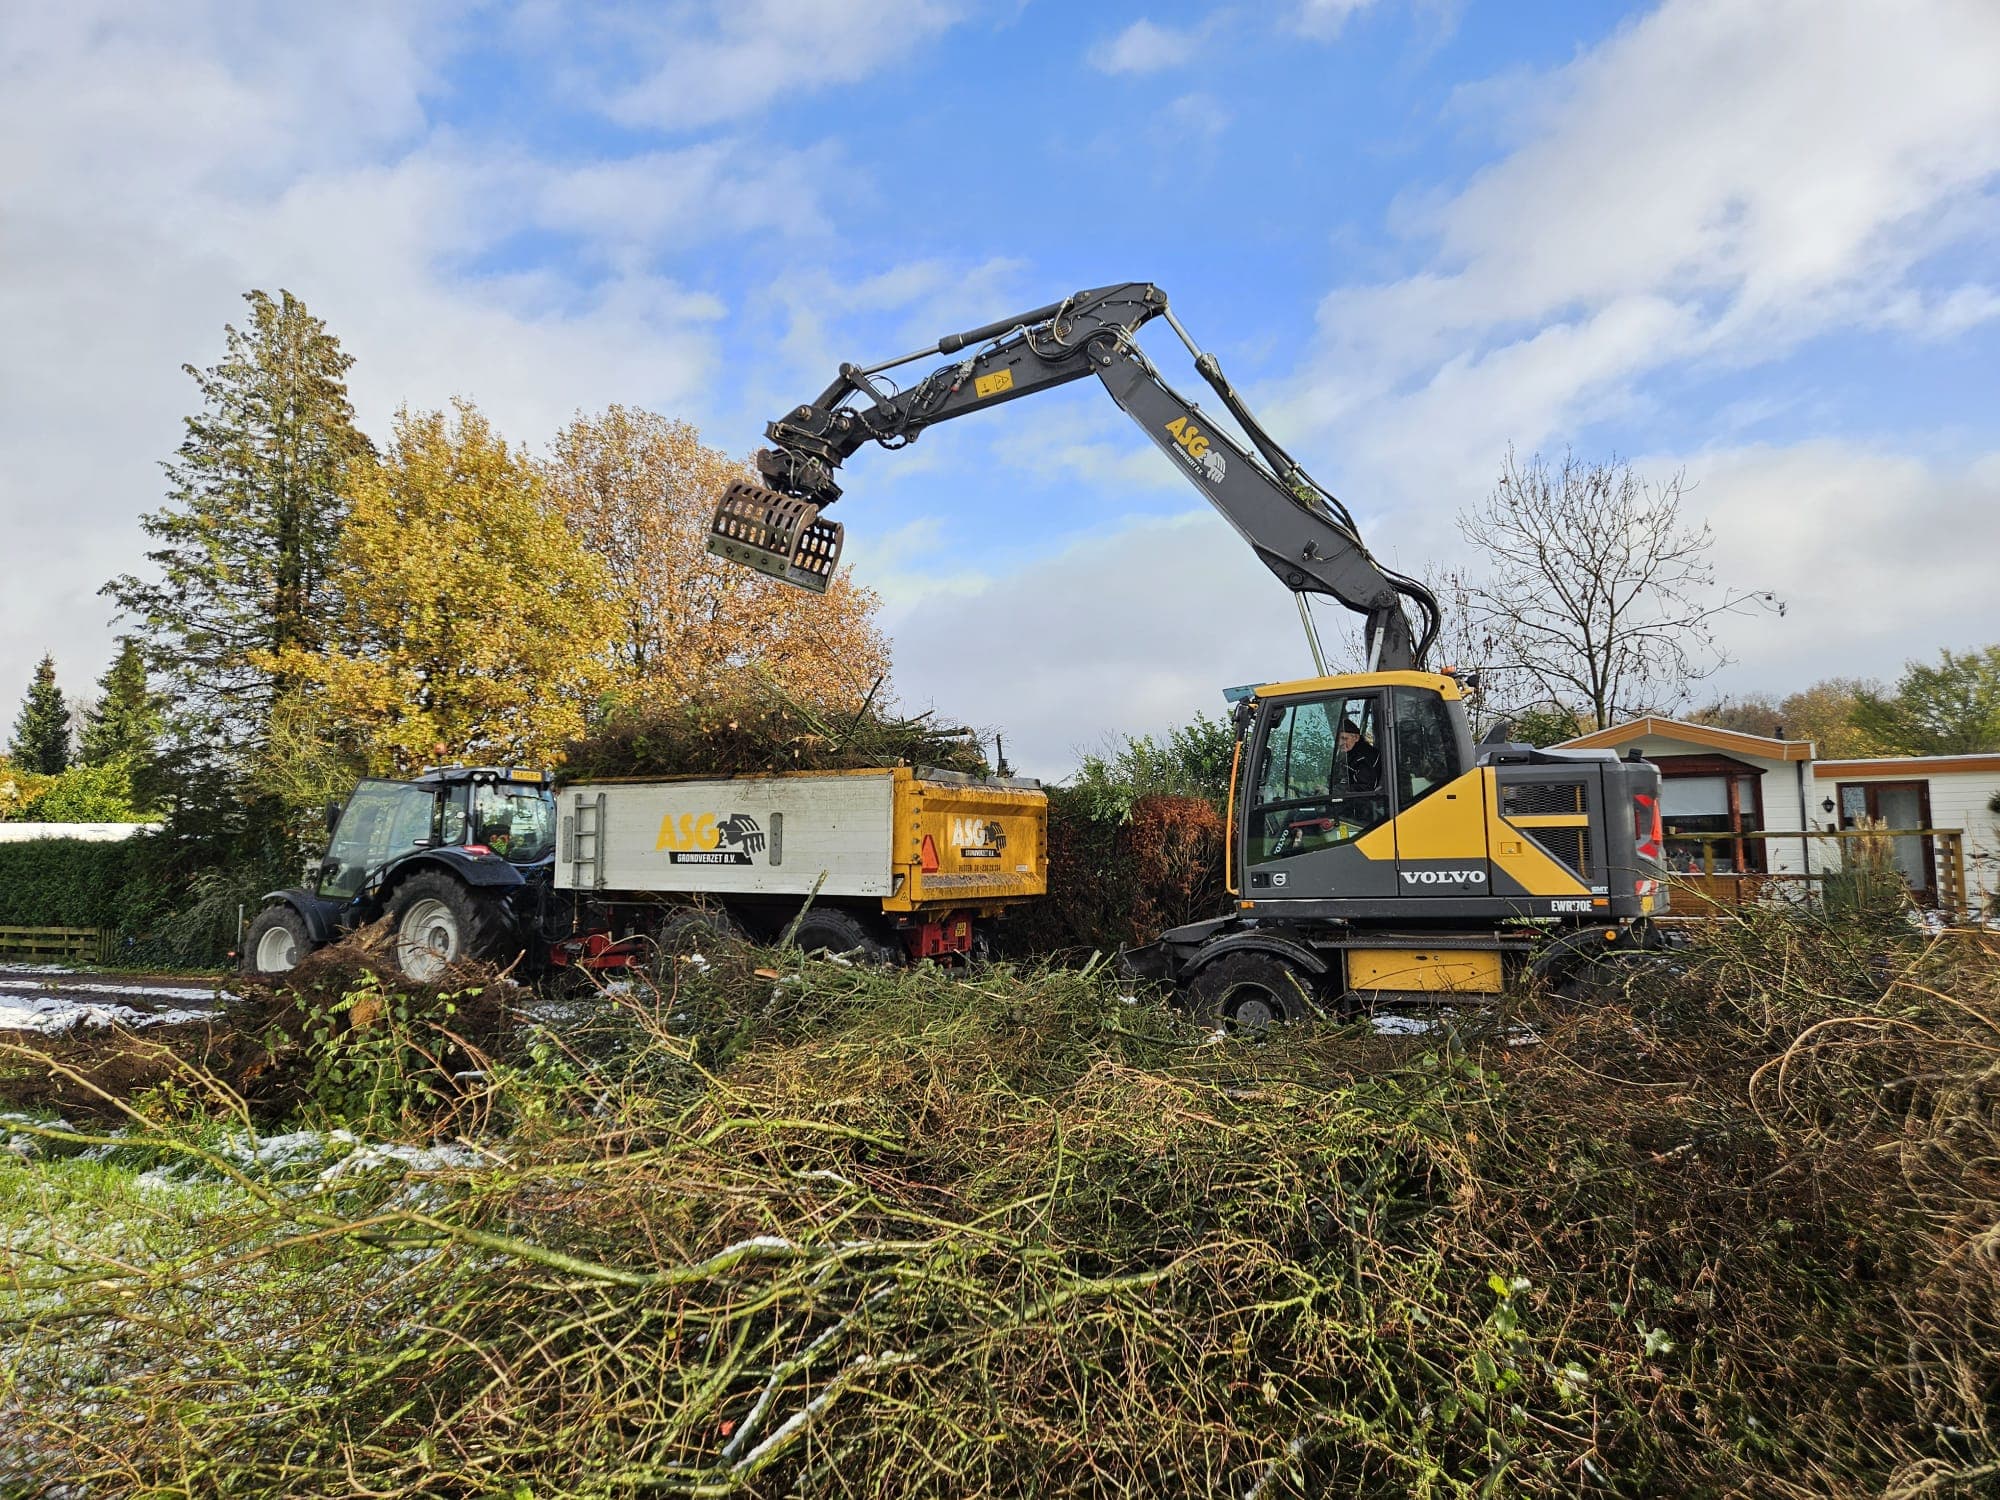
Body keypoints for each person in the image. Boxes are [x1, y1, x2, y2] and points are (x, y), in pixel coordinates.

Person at [1334, 718, 1380, 792]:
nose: (1340, 743)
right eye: (1337, 739)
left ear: (1356, 738)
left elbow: (1366, 787)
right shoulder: (1347, 754)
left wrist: (1336, 791)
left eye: (1344, 738)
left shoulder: (1366, 756)